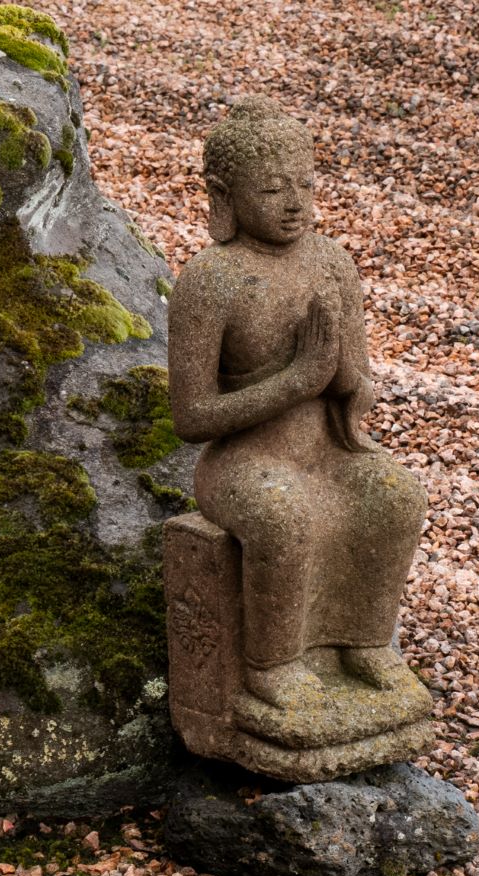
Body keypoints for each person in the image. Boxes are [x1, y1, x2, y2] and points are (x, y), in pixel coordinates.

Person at [168, 96, 426, 710]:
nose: (295, 204)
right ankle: (272, 664)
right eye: (271, 190)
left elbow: (359, 383)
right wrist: (296, 380)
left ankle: (364, 645)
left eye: (305, 186)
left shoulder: (332, 263)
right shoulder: (210, 280)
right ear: (224, 195)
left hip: (327, 447)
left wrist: (346, 379)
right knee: (284, 514)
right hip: (245, 462)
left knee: (396, 495)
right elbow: (191, 417)